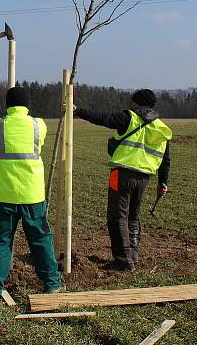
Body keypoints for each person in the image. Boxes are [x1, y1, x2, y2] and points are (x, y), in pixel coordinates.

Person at [74, 88, 172, 271]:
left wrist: (78, 111)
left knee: (117, 216)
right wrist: (162, 182)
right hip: (144, 177)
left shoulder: (129, 117)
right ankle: (132, 254)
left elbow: (103, 118)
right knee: (133, 216)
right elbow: (166, 160)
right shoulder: (160, 127)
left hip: (123, 173)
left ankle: (122, 259)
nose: (129, 104)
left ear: (138, 103)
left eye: (132, 101)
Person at [0, 86, 64, 296]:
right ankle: (52, 283)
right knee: (40, 239)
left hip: (4, 194)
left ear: (7, 105)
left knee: (1, 241)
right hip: (32, 194)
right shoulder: (39, 125)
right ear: (27, 105)